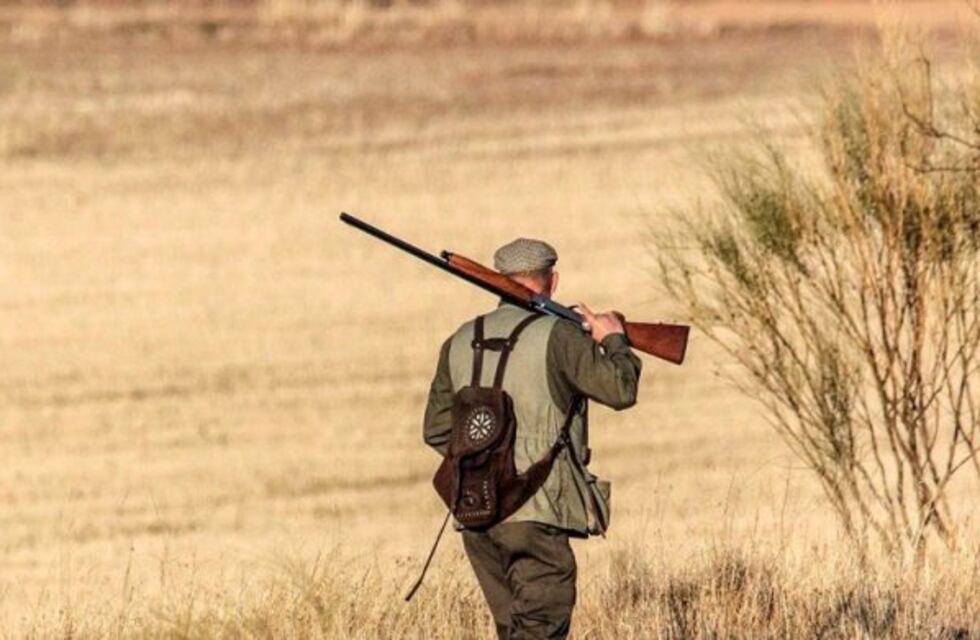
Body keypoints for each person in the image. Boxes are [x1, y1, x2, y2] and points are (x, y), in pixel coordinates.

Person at [422, 237, 642, 639]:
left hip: (476, 514)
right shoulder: (559, 336)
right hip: (536, 510)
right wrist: (613, 339)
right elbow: (620, 390)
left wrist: (485, 461)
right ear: (552, 281)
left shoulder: (459, 339)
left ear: (497, 281)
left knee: (514, 631)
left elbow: (436, 430)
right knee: (541, 628)